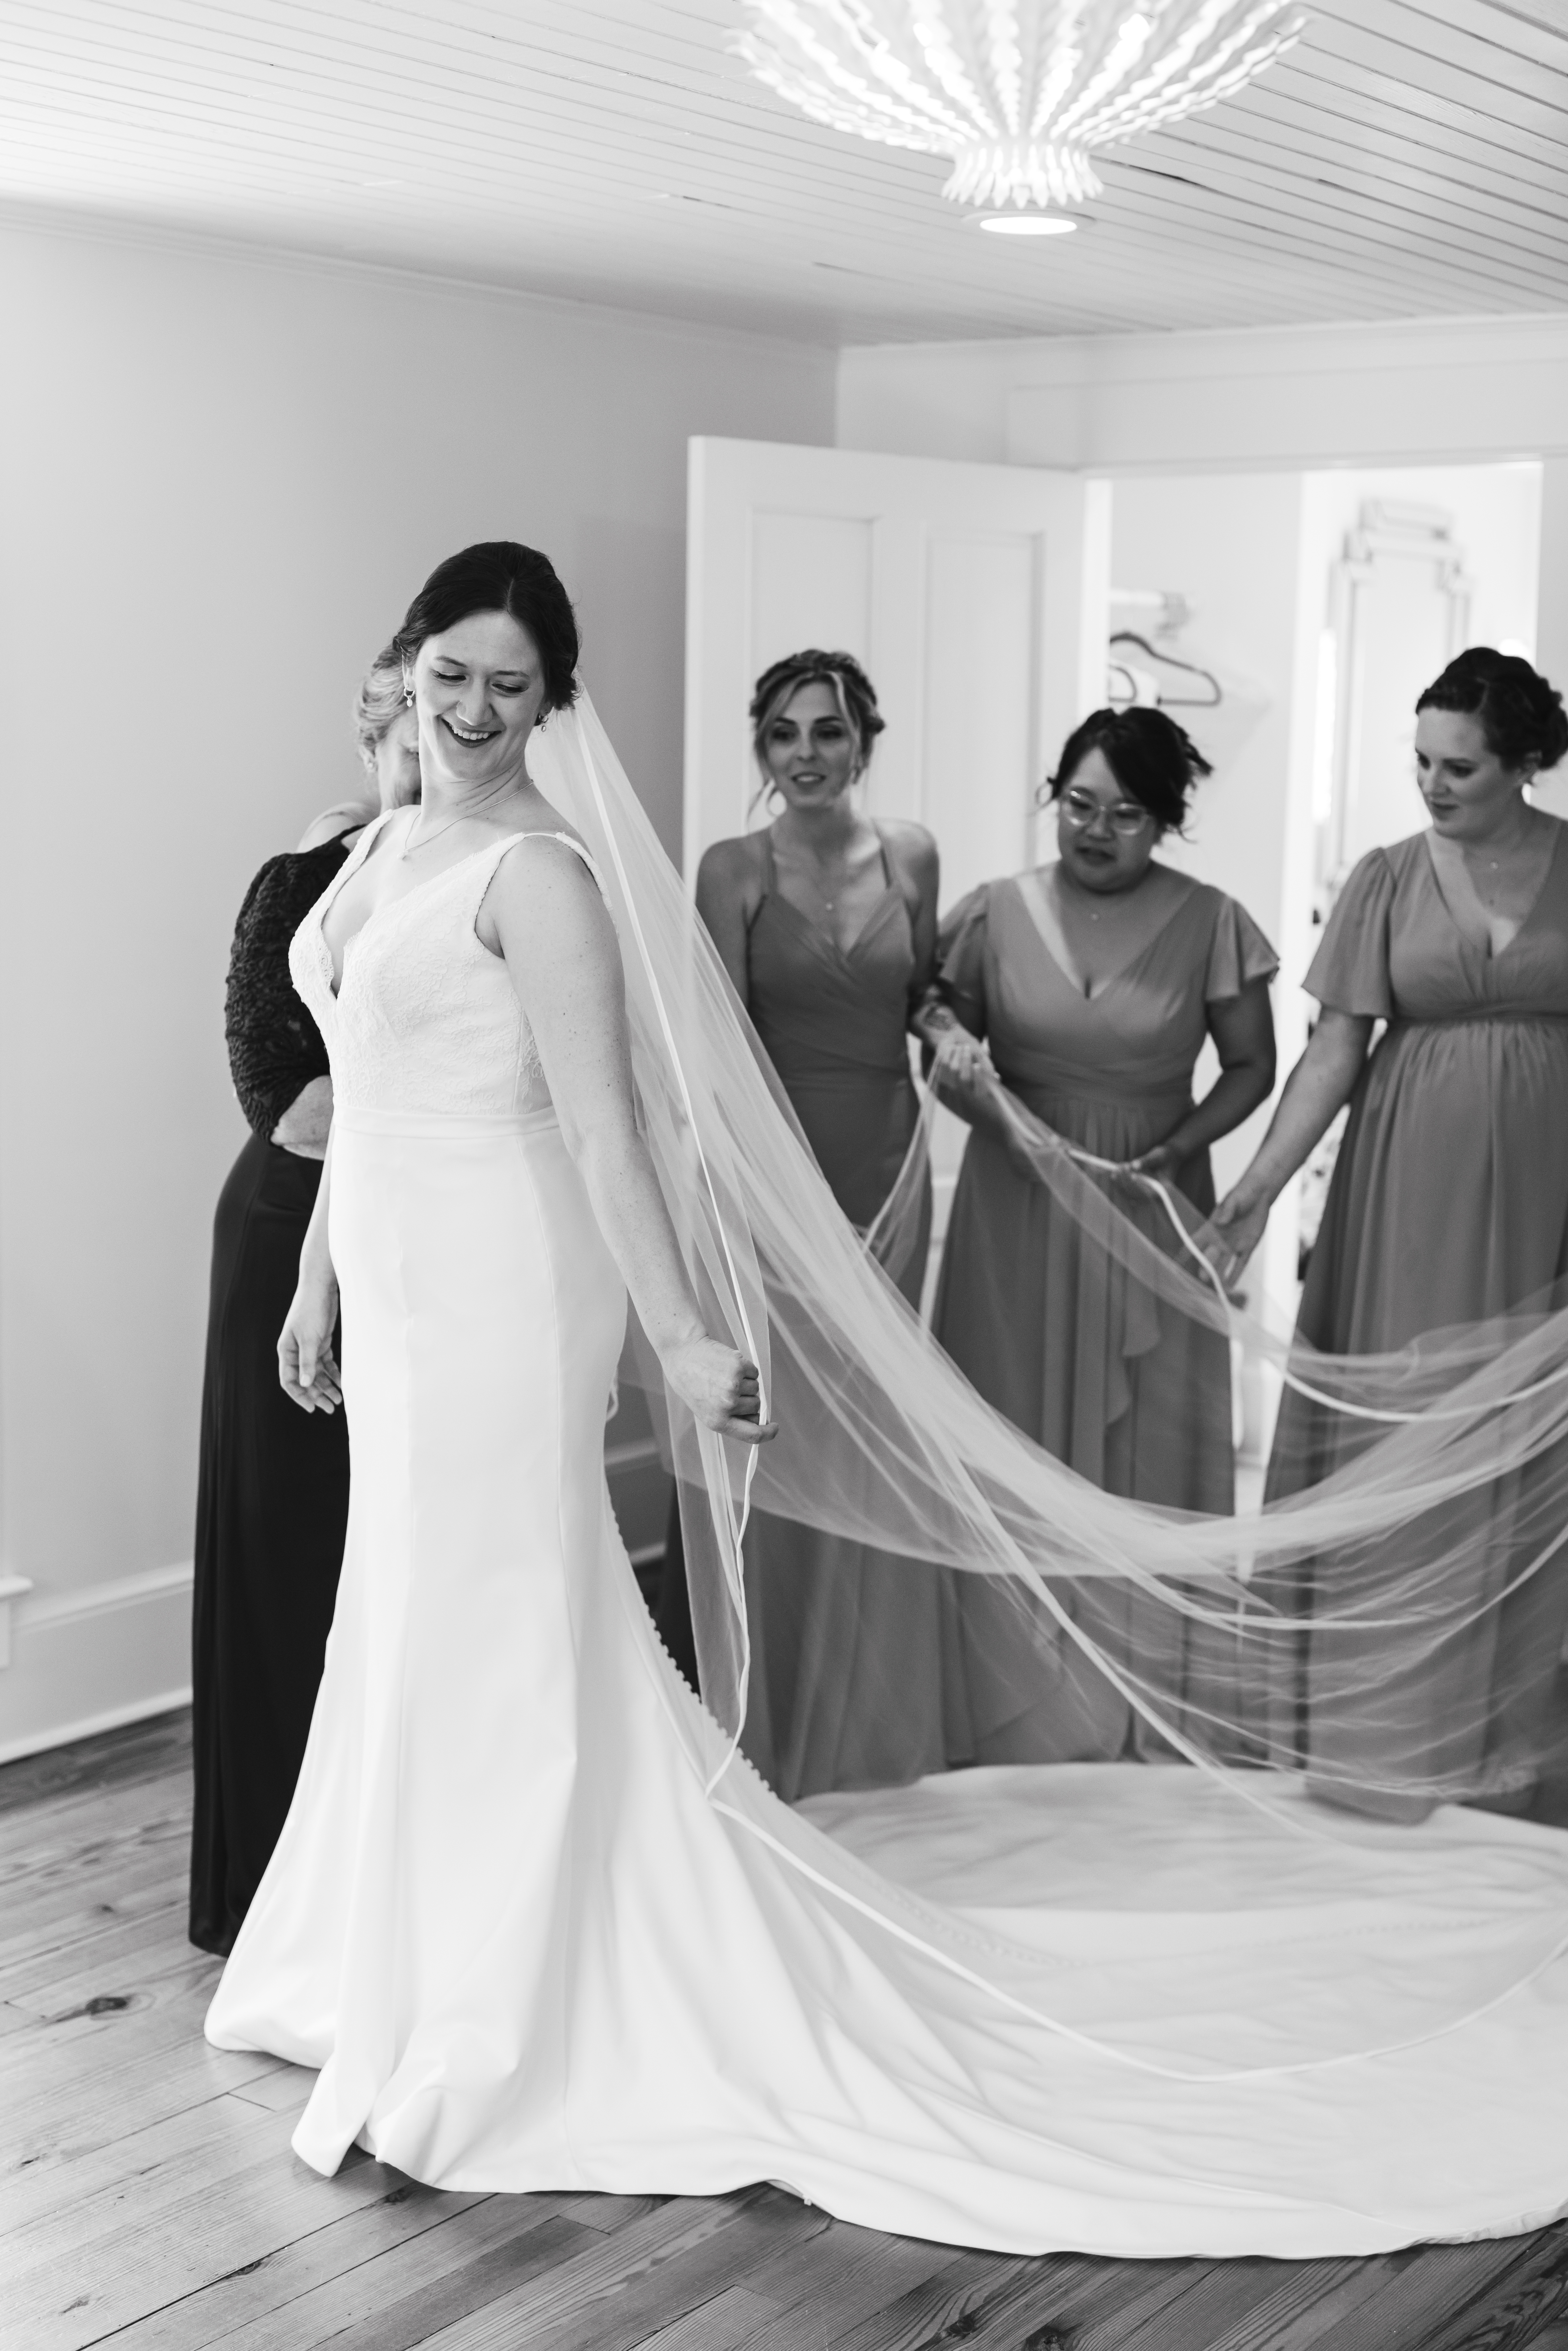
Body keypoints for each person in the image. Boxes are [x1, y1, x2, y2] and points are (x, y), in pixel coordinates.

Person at [205, 547, 1568, 2256]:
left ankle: (510, 1985)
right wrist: (323, 1273)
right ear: (406, 670)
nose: (472, 712)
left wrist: (683, 1332)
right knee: (393, 1610)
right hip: (394, 1282)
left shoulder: (541, 872)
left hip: (502, 1283)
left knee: (491, 1608)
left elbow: (610, 1128)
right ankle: (372, 1951)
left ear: (556, 700)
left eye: (509, 684)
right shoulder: (382, 845)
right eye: (448, 676)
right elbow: (366, 1081)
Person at [1206, 647, 1568, 1814]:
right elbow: (1330, 1052)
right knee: (1401, 1439)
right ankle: (1380, 1740)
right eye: (1418, 760)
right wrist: (1255, 1190)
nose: (1431, 782)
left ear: (1522, 763)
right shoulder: (1385, 876)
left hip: (1546, 1196)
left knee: (1524, 1440)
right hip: (1405, 1191)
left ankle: (1506, 1742)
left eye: (1458, 764)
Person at [920, 707, 1277, 1762]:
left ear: (1164, 821)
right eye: (1078, 805)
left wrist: (1178, 1148)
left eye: (1125, 814)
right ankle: (1007, 1701)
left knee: (1148, 1449)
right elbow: (940, 1019)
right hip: (1016, 1200)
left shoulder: (1211, 920)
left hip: (1144, 1199)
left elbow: (1254, 1066)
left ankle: (1143, 1703)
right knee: (1010, 1425)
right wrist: (953, 1049)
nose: (1095, 830)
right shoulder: (994, 908)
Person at [656, 650, 959, 1796]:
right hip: (774, 1174)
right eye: (782, 735)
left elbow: (918, 988)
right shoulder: (732, 867)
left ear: (863, 740)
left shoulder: (914, 854)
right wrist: (759, 1189)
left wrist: (951, 1028)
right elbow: (714, 1040)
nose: (804, 756)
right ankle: (768, 1704)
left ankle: (869, 1713)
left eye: (826, 732)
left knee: (875, 1420)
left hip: (889, 1160)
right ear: (762, 750)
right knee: (785, 1416)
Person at [188, 669, 419, 1954]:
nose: (429, 762)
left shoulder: (503, 869)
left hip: (421, 1237)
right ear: (373, 737)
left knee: (394, 1551)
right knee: (288, 1545)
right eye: (408, 739)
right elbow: (287, 1097)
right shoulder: (306, 877)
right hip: (294, 1227)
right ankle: (274, 1883)